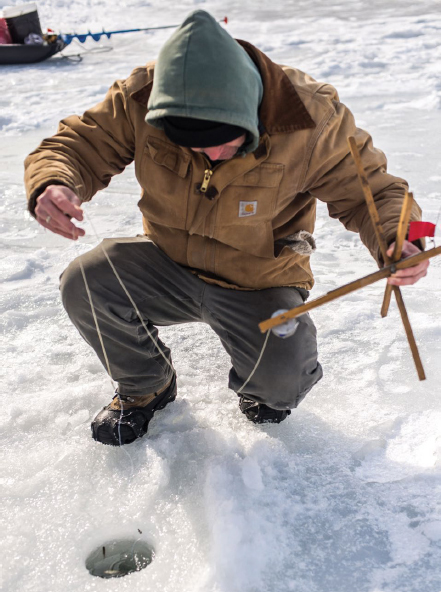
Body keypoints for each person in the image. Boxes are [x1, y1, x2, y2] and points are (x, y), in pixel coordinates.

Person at [24, 10, 429, 446]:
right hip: (167, 261)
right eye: (192, 142)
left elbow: (375, 191)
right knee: (86, 281)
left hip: (258, 279)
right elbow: (78, 146)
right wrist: (53, 182)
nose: (211, 153)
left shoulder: (312, 118)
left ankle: (267, 387)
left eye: (224, 138)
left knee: (282, 381)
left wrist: (403, 237)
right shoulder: (141, 97)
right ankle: (147, 385)